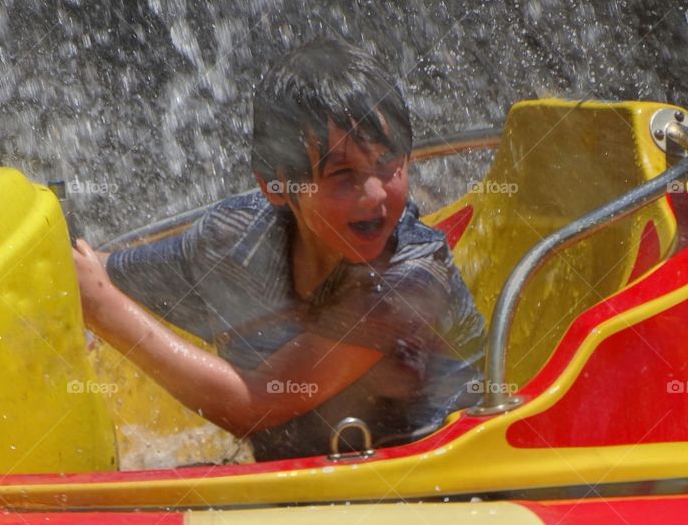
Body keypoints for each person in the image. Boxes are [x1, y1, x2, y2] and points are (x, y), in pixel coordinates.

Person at [73, 37, 485, 461]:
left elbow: (255, 406)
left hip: (441, 487)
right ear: (276, 185)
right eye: (343, 174)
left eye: (387, 162)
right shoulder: (233, 241)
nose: (375, 194)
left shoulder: (412, 276)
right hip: (306, 486)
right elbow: (99, 274)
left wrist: (102, 310)